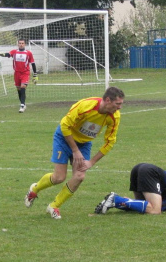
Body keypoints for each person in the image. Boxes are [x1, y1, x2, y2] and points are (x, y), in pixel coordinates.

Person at [24, 87, 125, 219]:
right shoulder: (85, 106)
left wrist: (92, 161)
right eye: (118, 104)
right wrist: (75, 150)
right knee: (59, 178)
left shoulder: (114, 116)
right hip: (64, 138)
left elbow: (110, 142)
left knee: (79, 176)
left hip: (84, 143)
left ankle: (54, 206)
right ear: (107, 100)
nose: (120, 108)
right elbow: (64, 125)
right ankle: (35, 189)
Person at [94, 163, 166, 215]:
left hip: (139, 168)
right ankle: (116, 199)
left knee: (141, 205)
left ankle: (115, 201)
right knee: (155, 210)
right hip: (149, 172)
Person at [0, 38, 38, 113]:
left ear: (24, 44)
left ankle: (22, 105)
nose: (21, 44)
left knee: (23, 86)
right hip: (17, 73)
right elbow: (8, 54)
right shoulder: (14, 52)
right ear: (18, 44)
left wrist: (35, 75)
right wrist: (3, 54)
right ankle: (23, 103)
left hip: (25, 73)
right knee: (19, 89)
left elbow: (33, 63)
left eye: (22, 43)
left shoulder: (28, 53)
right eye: (20, 43)